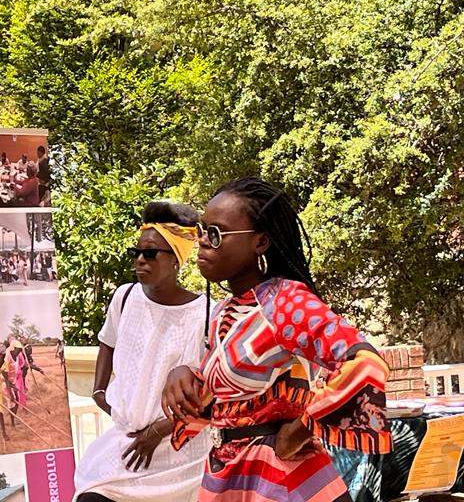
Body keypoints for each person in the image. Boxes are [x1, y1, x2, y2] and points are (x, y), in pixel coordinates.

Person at [161, 177, 390, 502]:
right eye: (201, 230)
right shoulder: (227, 312)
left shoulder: (284, 302)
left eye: (215, 233)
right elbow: (232, 396)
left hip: (281, 480)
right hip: (229, 475)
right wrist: (183, 375)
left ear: (261, 242)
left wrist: (300, 429)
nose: (202, 242)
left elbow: (364, 364)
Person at [75, 201, 213, 502]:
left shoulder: (206, 314)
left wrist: (158, 432)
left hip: (179, 451)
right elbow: (107, 341)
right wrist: (99, 392)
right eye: (136, 253)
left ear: (176, 259)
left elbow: (212, 392)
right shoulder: (125, 297)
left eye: (150, 253)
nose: (140, 260)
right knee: (92, 494)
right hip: (125, 442)